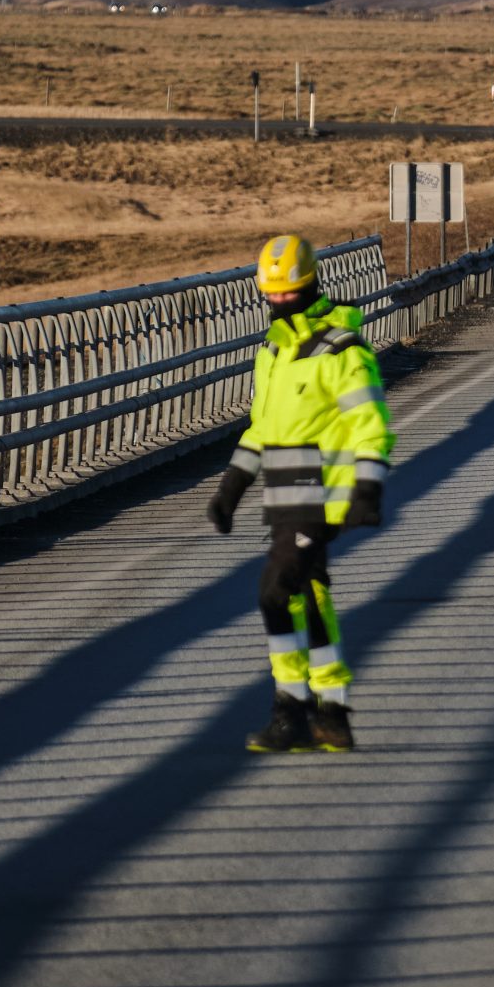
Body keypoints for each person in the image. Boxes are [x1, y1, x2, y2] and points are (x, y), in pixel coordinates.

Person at [208, 234, 393, 751]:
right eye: (272, 294)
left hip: (325, 495)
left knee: (273, 591)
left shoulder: (342, 350)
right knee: (306, 596)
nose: (280, 301)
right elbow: (261, 429)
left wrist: (368, 487)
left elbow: (370, 423)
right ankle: (330, 710)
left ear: (311, 284)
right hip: (286, 496)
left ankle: (292, 707)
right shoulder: (273, 353)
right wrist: (232, 486)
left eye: (288, 292)